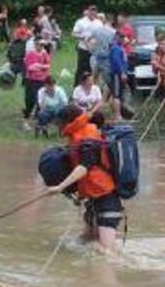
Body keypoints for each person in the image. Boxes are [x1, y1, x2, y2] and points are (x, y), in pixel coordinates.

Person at [51, 104, 123, 254]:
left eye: (59, 123)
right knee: (85, 241)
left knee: (105, 252)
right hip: (93, 199)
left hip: (107, 200)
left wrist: (60, 187)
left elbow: (84, 167)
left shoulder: (87, 138)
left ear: (67, 122)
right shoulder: (79, 135)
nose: (58, 127)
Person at [23, 30, 52, 125]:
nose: (42, 46)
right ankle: (26, 117)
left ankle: (38, 117)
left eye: (43, 45)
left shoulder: (44, 54)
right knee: (30, 99)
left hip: (42, 80)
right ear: (36, 44)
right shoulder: (30, 54)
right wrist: (41, 66)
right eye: (40, 44)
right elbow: (30, 67)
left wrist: (38, 66)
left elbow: (48, 66)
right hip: (31, 80)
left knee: (40, 99)